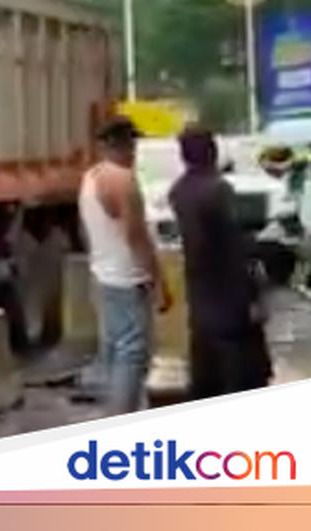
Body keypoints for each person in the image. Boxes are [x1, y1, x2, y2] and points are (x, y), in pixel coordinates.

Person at [168, 124, 272, 398]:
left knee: (206, 375)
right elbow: (235, 247)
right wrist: (253, 297)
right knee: (243, 374)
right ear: (212, 151)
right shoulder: (218, 190)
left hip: (201, 297)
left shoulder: (179, 191)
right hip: (230, 297)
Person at [79, 116, 173, 414]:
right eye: (132, 144)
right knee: (132, 354)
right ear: (123, 144)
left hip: (103, 276)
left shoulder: (90, 178)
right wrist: (158, 281)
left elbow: (86, 231)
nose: (134, 152)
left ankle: (122, 411)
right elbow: (136, 237)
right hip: (127, 279)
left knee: (115, 352)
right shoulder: (123, 180)